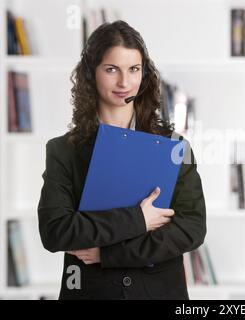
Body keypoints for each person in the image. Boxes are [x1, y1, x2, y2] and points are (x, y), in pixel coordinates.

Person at [37, 20, 206, 300]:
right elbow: (56, 231)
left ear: (144, 74)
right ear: (91, 74)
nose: (124, 82)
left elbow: (192, 228)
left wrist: (108, 253)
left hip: (158, 292)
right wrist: (140, 219)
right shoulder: (63, 151)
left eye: (134, 69)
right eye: (112, 69)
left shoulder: (174, 147)